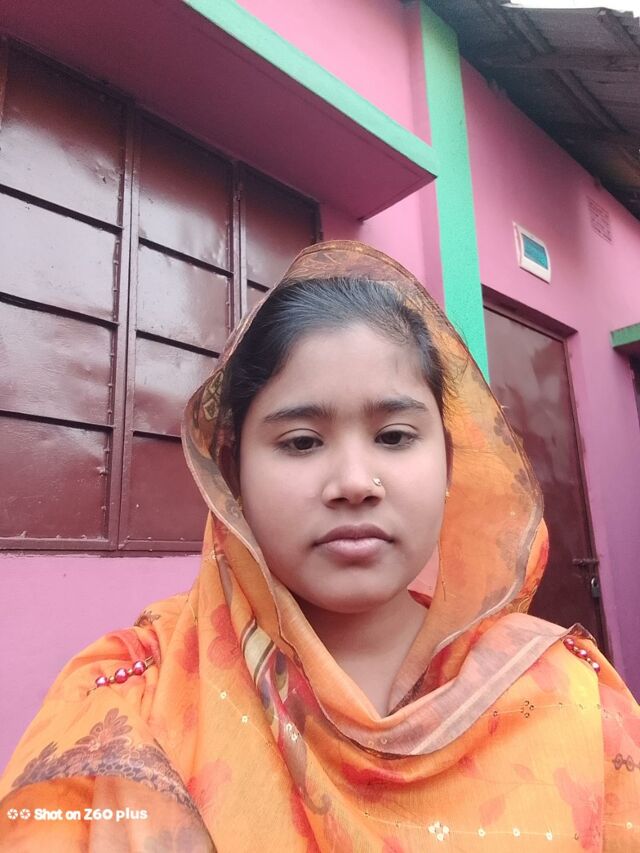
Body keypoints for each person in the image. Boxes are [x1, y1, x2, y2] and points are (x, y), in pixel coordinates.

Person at [1, 240, 638, 852]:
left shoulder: (570, 698)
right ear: (233, 476)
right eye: (302, 442)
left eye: (394, 436)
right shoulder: (129, 700)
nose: (355, 483)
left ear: (448, 463)